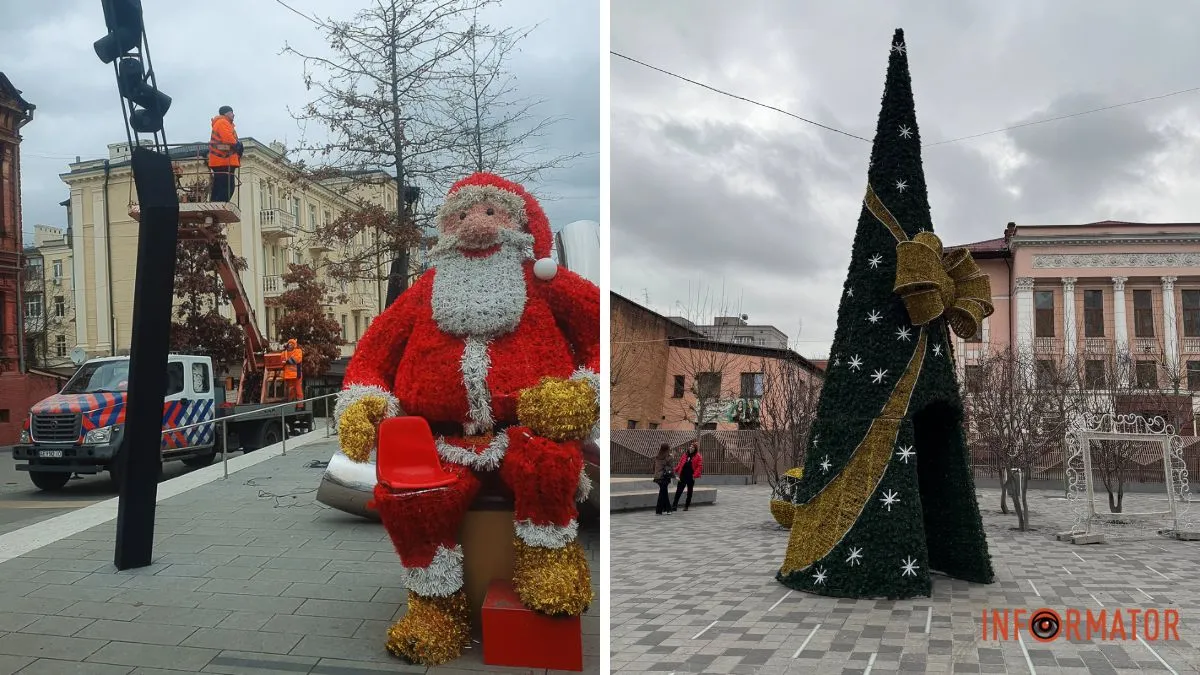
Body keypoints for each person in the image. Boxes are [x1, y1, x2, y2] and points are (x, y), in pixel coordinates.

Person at [333, 172, 599, 665]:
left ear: (520, 224)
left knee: (548, 465)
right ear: (445, 228)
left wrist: (582, 391)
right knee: (413, 501)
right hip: (440, 439)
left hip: (525, 430)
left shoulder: (545, 284)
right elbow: (372, 355)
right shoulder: (424, 292)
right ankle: (435, 608)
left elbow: (599, 336)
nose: (475, 226)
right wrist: (366, 402)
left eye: (491, 212)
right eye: (460, 215)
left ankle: (549, 563)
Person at [208, 106, 243, 202]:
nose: (233, 115)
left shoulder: (222, 123)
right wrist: (238, 145)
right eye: (231, 112)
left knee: (220, 186)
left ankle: (215, 204)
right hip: (223, 160)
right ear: (226, 113)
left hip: (221, 161)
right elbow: (228, 139)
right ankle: (220, 204)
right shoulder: (223, 122)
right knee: (227, 187)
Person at [673, 441, 704, 511]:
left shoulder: (698, 456)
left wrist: (694, 475)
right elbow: (680, 464)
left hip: (691, 476)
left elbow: (699, 467)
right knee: (678, 491)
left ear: (695, 449)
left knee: (689, 492)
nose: (691, 448)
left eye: (693, 447)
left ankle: (686, 506)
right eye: (690, 446)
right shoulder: (685, 455)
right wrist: (675, 470)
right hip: (683, 475)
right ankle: (674, 506)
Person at [652, 443, 674, 515]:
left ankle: (660, 510)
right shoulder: (669, 457)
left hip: (657, 477)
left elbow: (654, 467)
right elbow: (671, 468)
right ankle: (668, 509)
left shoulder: (657, 456)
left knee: (663, 492)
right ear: (668, 449)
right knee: (664, 493)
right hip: (664, 477)